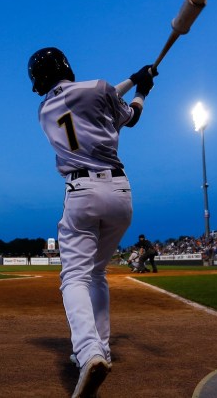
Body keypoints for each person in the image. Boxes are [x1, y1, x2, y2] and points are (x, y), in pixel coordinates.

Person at [28, 46, 157, 398]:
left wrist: (133, 78)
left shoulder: (44, 111)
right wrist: (142, 89)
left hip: (82, 193)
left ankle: (89, 353)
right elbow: (129, 115)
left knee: (75, 277)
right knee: (97, 273)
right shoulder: (99, 88)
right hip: (120, 192)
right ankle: (101, 348)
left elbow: (93, 99)